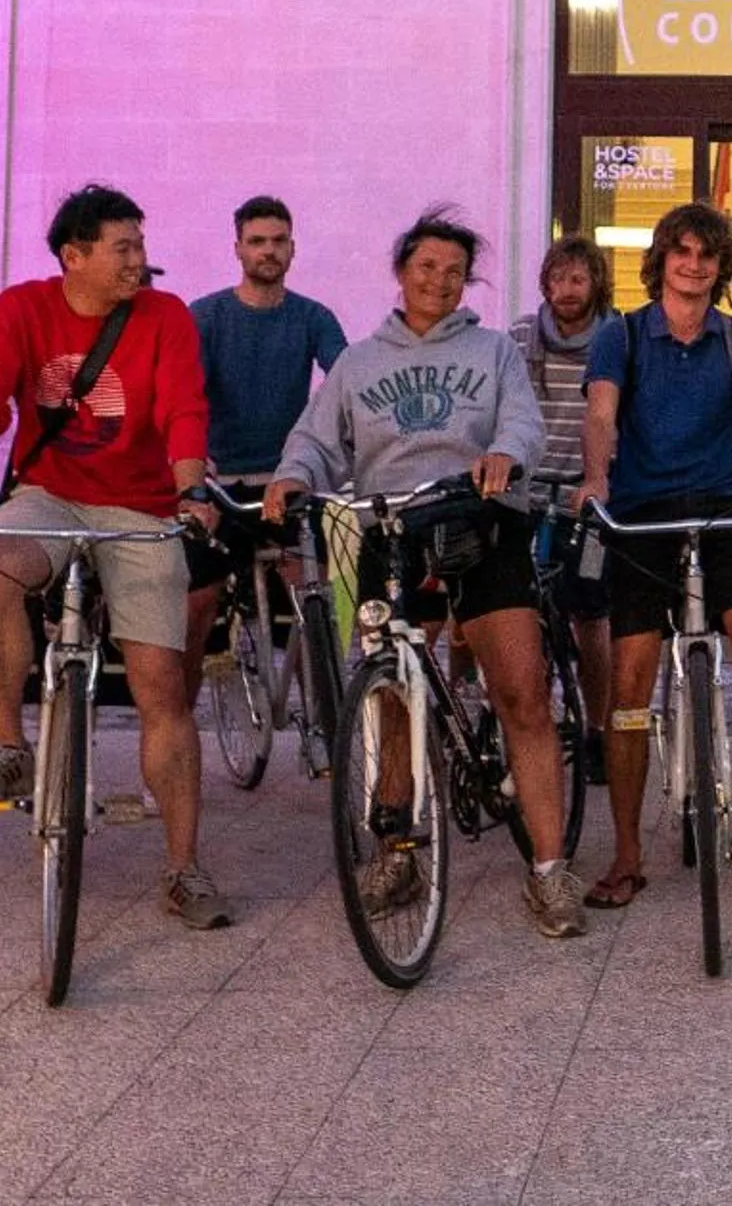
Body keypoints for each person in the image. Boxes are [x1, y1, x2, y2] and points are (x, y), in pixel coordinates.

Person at [0, 183, 231, 931]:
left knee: (160, 684)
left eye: (140, 246)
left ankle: (184, 867)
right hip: (47, 493)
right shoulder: (21, 310)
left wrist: (191, 491)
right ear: (74, 255)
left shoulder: (164, 317)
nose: (139, 262)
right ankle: (8, 746)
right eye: (123, 249)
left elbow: (184, 408)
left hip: (143, 504)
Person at [265, 209, 581, 937]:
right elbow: (317, 437)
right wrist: (291, 477)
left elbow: (522, 423)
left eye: (451, 270)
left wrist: (504, 454)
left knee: (522, 694)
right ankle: (397, 854)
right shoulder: (359, 361)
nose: (437, 280)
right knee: (389, 702)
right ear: (402, 271)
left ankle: (549, 869)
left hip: (480, 519)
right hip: (391, 528)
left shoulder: (493, 351)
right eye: (425, 266)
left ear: (465, 281)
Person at [577, 202, 732, 909]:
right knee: (629, 678)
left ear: (721, 265)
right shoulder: (618, 335)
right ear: (660, 260)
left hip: (723, 512)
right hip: (641, 516)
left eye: (706, 254)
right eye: (680, 251)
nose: (694, 263)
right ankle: (625, 850)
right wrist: (595, 477)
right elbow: (599, 413)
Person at [185, 195, 346, 658]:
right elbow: (185, 398)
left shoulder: (313, 317)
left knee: (311, 603)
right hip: (220, 482)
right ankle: (180, 719)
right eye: (257, 241)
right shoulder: (207, 316)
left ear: (293, 248)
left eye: (278, 241)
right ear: (237, 248)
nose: (268, 251)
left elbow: (345, 383)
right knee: (195, 605)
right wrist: (198, 473)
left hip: (285, 479)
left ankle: (325, 719)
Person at [509, 236, 618, 782]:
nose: (567, 290)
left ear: (596, 283)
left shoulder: (618, 338)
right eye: (557, 279)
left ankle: (596, 729)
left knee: (590, 615)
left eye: (578, 279)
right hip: (525, 494)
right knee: (512, 611)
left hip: (588, 499)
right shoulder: (522, 337)